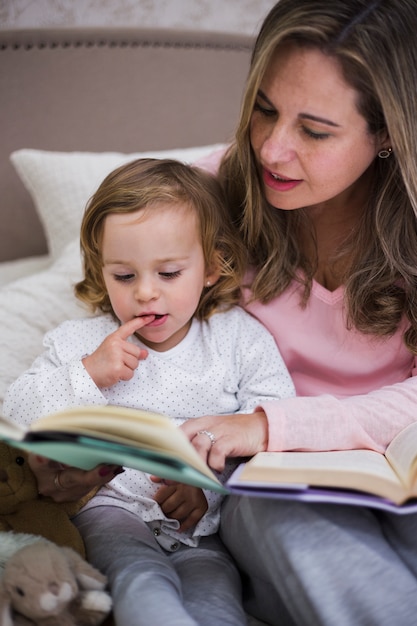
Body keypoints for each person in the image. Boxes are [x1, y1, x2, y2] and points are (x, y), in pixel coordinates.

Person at [177, 0, 417, 624]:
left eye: (314, 131)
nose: (274, 151)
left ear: (388, 132)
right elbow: (121, 310)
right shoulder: (207, 196)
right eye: (263, 110)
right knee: (264, 507)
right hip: (279, 483)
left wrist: (274, 424)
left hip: (401, 471)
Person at [3, 157, 295, 626]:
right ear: (101, 272)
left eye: (169, 273)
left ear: (213, 267)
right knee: (139, 579)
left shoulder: (239, 338)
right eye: (124, 276)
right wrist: (89, 374)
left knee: (215, 591)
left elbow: (277, 423)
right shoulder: (80, 342)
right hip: (108, 508)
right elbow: (16, 416)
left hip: (200, 526)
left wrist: (209, 487)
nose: (144, 293)